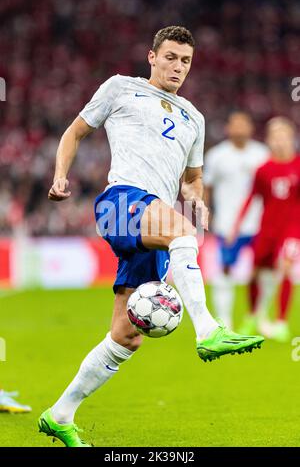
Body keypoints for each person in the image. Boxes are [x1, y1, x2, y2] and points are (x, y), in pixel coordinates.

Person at [38, 26, 264, 447]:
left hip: (153, 214)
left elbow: (192, 180)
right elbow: (75, 132)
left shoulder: (194, 117)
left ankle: (59, 414)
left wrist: (197, 199)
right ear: (152, 57)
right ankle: (209, 330)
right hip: (121, 201)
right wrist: (60, 175)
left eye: (186, 61)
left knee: (127, 336)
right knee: (181, 230)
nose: (178, 67)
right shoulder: (121, 87)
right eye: (171, 57)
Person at [229, 117, 300, 341]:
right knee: (254, 273)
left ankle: (281, 322)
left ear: (291, 138)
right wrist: (236, 226)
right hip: (267, 229)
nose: (279, 141)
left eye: (283, 136)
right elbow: (252, 198)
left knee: (286, 267)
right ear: (269, 140)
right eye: (274, 137)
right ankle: (252, 317)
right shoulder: (263, 169)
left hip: (292, 229)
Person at [204, 112, 268, 329]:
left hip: (259, 224)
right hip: (227, 224)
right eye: (235, 124)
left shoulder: (262, 154)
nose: (240, 129)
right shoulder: (217, 156)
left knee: (263, 271)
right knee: (225, 269)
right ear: (228, 128)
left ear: (251, 128)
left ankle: (260, 317)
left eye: (244, 124)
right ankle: (224, 320)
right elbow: (207, 187)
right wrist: (206, 213)